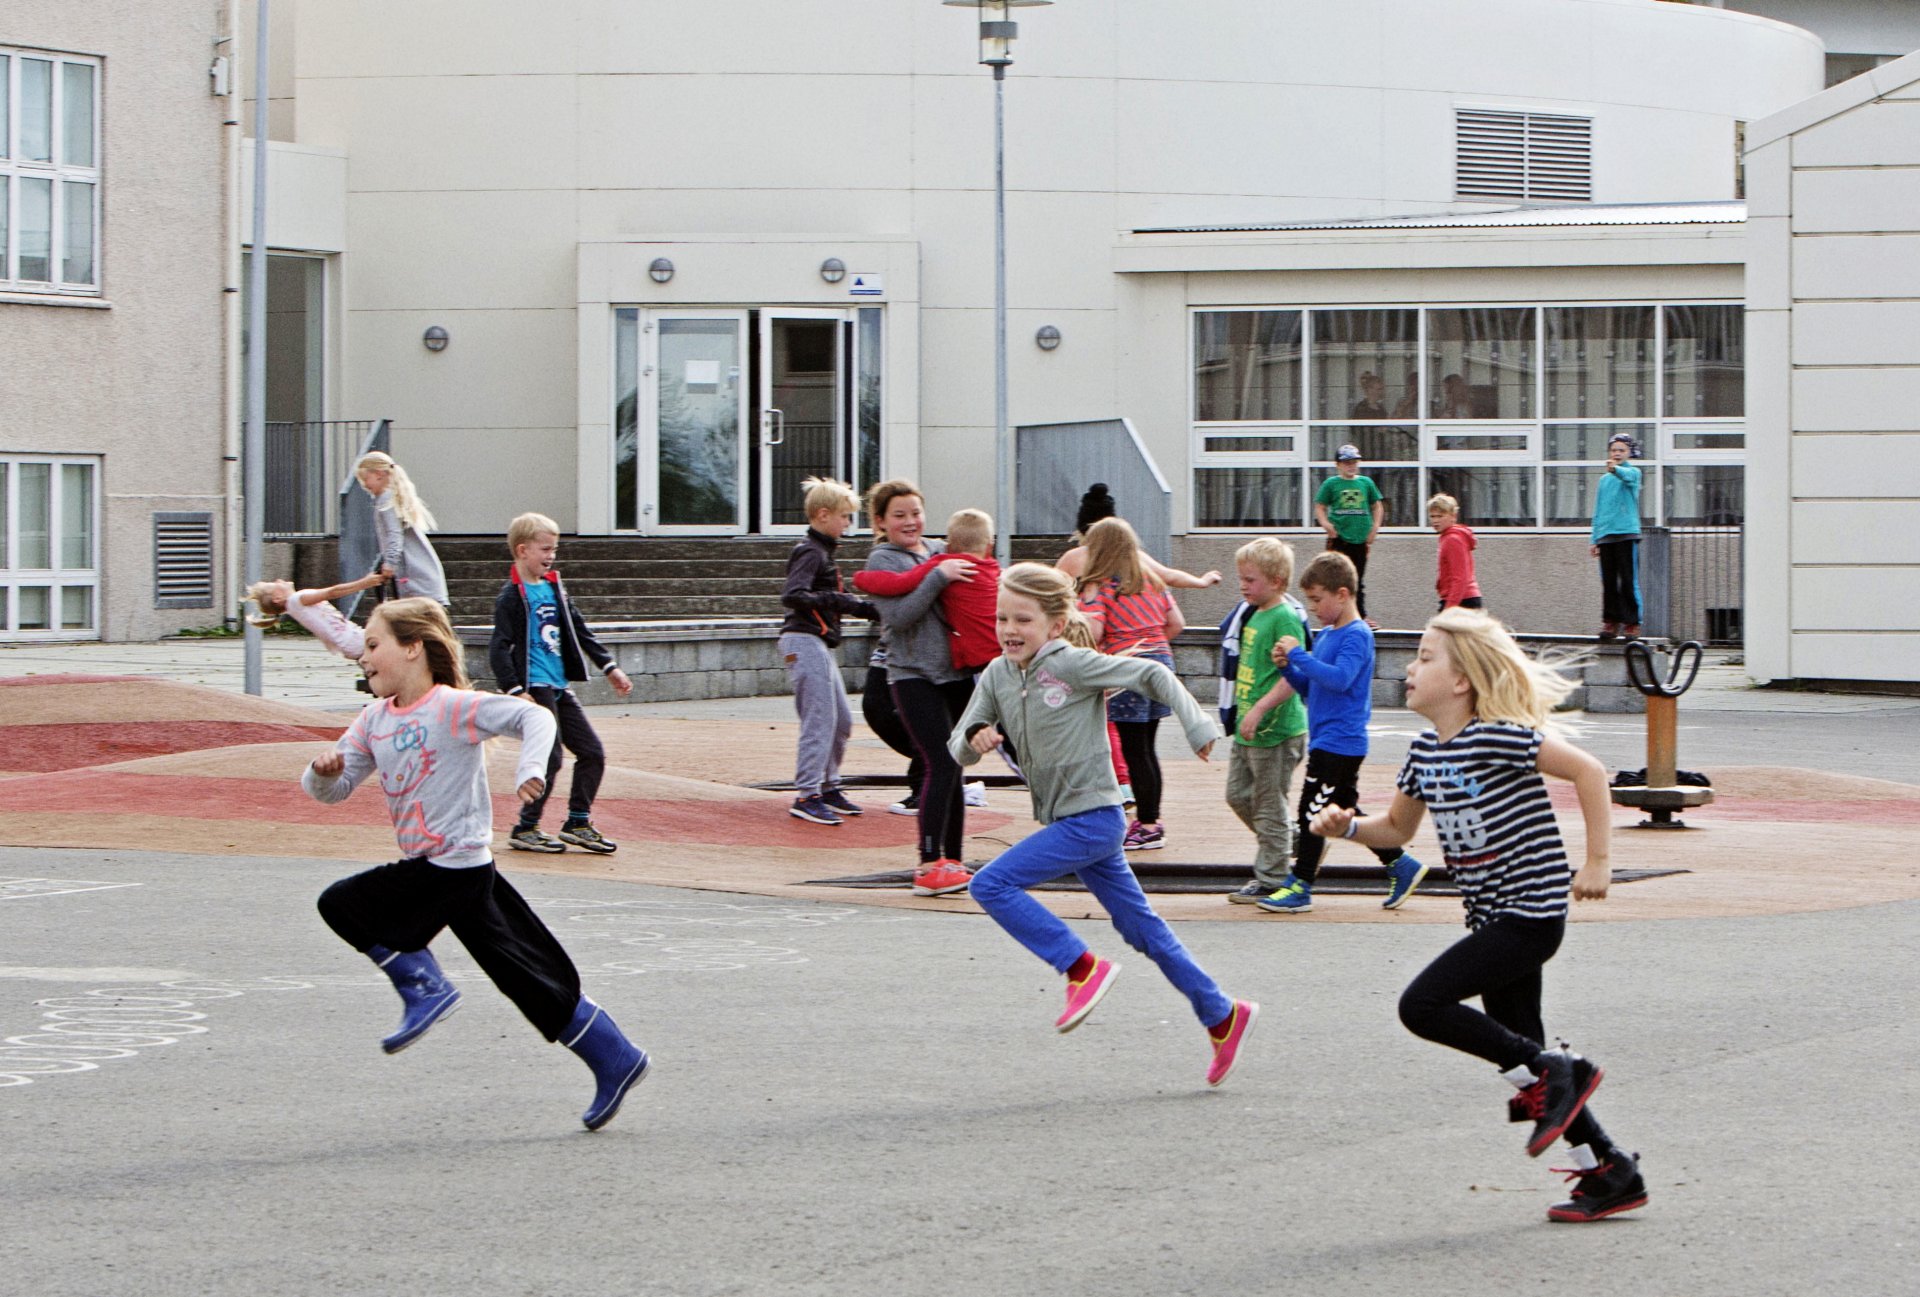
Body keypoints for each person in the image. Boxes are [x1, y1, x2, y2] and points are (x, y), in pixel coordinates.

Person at [1309, 608, 1647, 1223]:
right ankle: (1610, 1169)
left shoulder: (1496, 734)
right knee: (1523, 1052)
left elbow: (1589, 771)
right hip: (1491, 918)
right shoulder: (1421, 751)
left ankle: (1561, 1073)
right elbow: (1398, 828)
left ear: (1462, 680)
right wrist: (1349, 827)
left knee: (1423, 1006)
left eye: (1426, 658)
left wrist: (1598, 861)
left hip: (1531, 911)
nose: (1410, 668)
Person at [305, 598, 650, 1132]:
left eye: (374, 645)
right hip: (450, 871)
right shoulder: (373, 720)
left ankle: (423, 984)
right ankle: (617, 1056)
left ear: (414, 647)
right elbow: (334, 789)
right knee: (528, 972)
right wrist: (323, 772)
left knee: (341, 902)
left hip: (454, 868)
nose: (363, 656)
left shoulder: (453, 708)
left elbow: (535, 716)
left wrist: (530, 770)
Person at [951, 563, 1257, 1087]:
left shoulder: (1070, 665)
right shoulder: (997, 676)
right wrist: (976, 736)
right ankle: (1221, 1013)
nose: (1009, 629)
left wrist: (1197, 723)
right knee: (1143, 930)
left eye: (1022, 619)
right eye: (1001, 617)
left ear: (1053, 624)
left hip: (1094, 819)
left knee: (991, 883)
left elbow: (1153, 674)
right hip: (1073, 823)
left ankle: (1079, 967)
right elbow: (958, 745)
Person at [1256, 551, 1427, 914]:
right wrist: (1289, 669)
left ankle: (1300, 884)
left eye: (1318, 600)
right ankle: (1401, 864)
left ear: (1343, 594)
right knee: (1338, 808)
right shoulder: (1330, 635)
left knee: (1311, 811)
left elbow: (1339, 679)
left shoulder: (1357, 635)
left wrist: (1299, 656)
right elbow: (1312, 689)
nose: (1314, 608)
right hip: (1328, 738)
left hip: (1341, 740)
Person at [487, 512, 634, 854]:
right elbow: (499, 647)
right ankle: (526, 826)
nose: (551, 556)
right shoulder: (511, 596)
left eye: (554, 549)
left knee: (592, 752)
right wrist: (514, 689)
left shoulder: (555, 588)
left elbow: (580, 630)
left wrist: (610, 667)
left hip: (559, 685)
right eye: (545, 549)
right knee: (550, 757)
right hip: (535, 687)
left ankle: (578, 821)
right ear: (523, 551)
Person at [862, 479, 976, 897]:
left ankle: (955, 859)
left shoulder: (937, 552)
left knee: (957, 766)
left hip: (956, 673)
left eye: (915, 513)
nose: (910, 522)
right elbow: (901, 616)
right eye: (899, 515)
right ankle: (929, 863)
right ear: (880, 522)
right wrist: (937, 576)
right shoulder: (883, 559)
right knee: (939, 763)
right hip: (913, 675)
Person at [1076, 517, 1184, 852]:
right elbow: (1176, 624)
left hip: (1126, 671)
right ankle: (1151, 818)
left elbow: (1091, 633)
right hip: (1160, 665)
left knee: (1134, 750)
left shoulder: (1101, 587)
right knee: (1147, 748)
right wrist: (1152, 647)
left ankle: (1149, 825)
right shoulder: (1151, 580)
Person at [778, 478, 879, 826]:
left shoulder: (821, 552)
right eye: (845, 517)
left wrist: (864, 606)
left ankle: (827, 784)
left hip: (815, 641)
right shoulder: (810, 551)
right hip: (803, 639)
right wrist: (842, 602)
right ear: (823, 515)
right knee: (820, 718)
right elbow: (793, 595)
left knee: (841, 720)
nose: (848, 525)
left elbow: (831, 596)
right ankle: (808, 793)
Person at [1224, 539, 1310, 905]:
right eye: (1241, 578)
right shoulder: (1254, 613)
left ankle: (1272, 877)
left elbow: (1293, 674)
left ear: (1276, 581)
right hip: (1250, 728)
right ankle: (1298, 842)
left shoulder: (1284, 616)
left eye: (1250, 579)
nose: (1243, 586)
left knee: (1268, 802)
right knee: (1238, 795)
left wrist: (1259, 709)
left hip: (1276, 730)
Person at [1056, 483, 1221, 591]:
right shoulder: (1131, 555)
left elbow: (1048, 586)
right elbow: (1169, 575)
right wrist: (1201, 581)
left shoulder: (1074, 558)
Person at [356, 451, 449, 609]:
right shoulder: (391, 498)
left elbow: (394, 534)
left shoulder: (386, 500)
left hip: (415, 582)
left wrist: (390, 563)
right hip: (422, 580)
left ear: (378, 474)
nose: (365, 485)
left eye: (366, 479)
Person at [1313, 445, 1384, 624]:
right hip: (1339, 539)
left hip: (1360, 539)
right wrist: (1326, 525)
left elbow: (1377, 506)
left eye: (1353, 462)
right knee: (1334, 577)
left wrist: (1374, 527)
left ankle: (1359, 615)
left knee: (1357, 579)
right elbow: (1320, 507)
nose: (1350, 466)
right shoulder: (1331, 484)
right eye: (1346, 463)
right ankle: (1334, 614)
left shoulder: (1366, 483)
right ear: (1338, 465)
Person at [245, 571, 390, 659]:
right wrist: (365, 583)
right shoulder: (297, 600)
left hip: (352, 642)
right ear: (277, 598)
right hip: (354, 640)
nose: (278, 580)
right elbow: (332, 592)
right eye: (273, 584)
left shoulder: (294, 607)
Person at [1589, 433, 1643, 640]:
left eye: (1621, 450)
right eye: (1614, 450)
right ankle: (1611, 621)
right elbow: (1598, 509)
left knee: (1628, 580)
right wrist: (1594, 539)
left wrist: (1616, 469)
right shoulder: (1604, 480)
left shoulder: (1633, 472)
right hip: (1606, 535)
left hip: (1627, 533)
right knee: (1609, 581)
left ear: (1629, 453)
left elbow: (1628, 478)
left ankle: (1632, 622)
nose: (1617, 453)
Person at [1429, 493, 1484, 611]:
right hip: (1460, 598)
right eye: (1432, 516)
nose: (1435, 521)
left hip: (1462, 601)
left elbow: (1460, 578)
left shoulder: (1453, 539)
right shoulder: (1448, 537)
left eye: (1440, 516)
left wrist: (1450, 609)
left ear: (1453, 516)